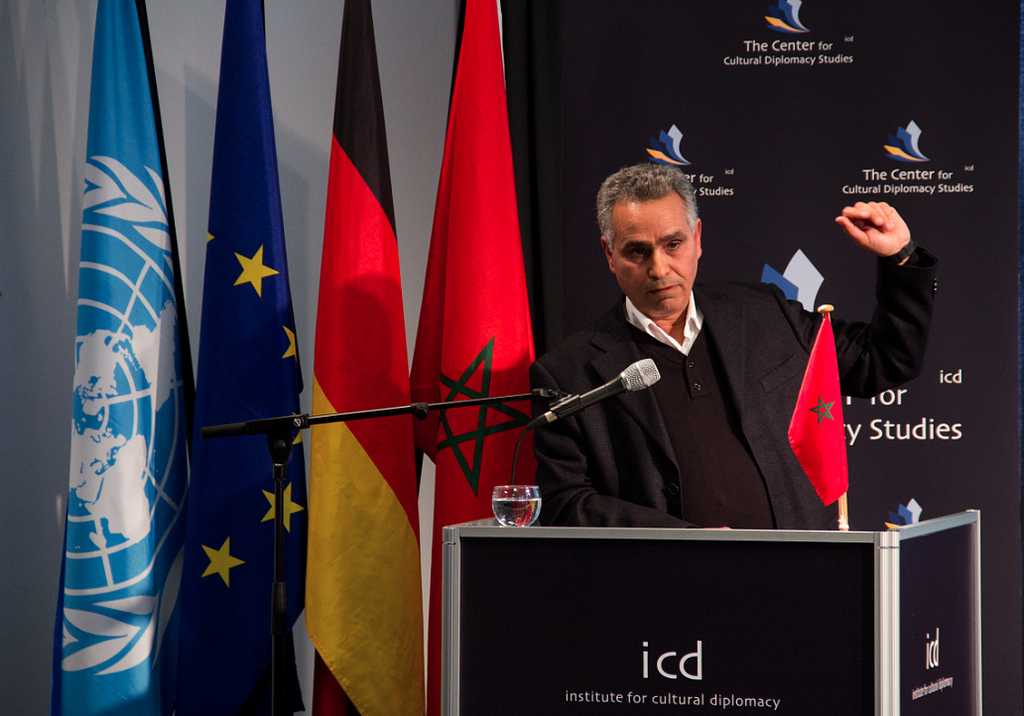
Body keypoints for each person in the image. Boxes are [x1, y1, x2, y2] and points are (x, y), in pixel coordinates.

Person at [530, 163, 938, 529]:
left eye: (673, 244)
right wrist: (681, 540)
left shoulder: (765, 314)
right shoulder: (570, 373)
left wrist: (901, 258)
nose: (659, 268)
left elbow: (881, 361)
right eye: (638, 251)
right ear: (609, 254)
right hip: (664, 581)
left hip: (796, 572)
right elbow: (566, 502)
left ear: (697, 238)